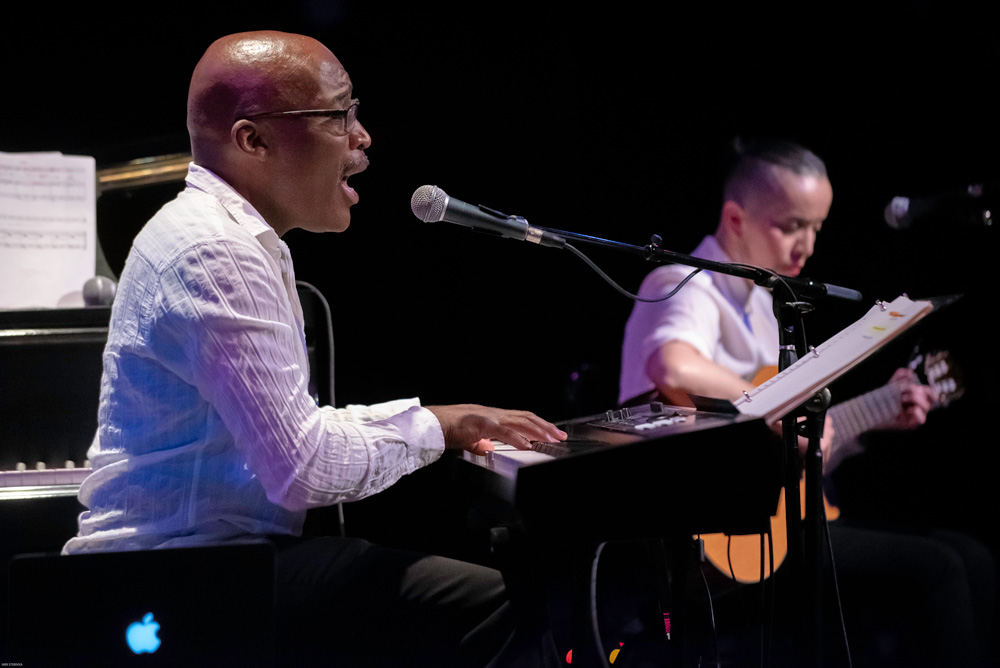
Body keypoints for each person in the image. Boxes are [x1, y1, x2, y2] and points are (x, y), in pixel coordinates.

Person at [62, 30, 567, 668]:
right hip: (174, 581)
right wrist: (438, 426)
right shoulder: (213, 251)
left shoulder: (226, 236)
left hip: (205, 568)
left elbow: (294, 436)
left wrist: (456, 421)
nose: (362, 137)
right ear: (253, 140)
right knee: (504, 606)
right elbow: (302, 467)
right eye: (339, 115)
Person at [617, 139, 995, 667]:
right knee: (942, 569)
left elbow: (786, 456)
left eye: (817, 227)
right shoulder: (683, 285)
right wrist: (783, 404)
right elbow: (674, 367)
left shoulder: (768, 307)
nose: (808, 245)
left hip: (767, 526)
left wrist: (868, 422)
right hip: (701, 545)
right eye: (792, 225)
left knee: (969, 555)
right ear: (735, 217)